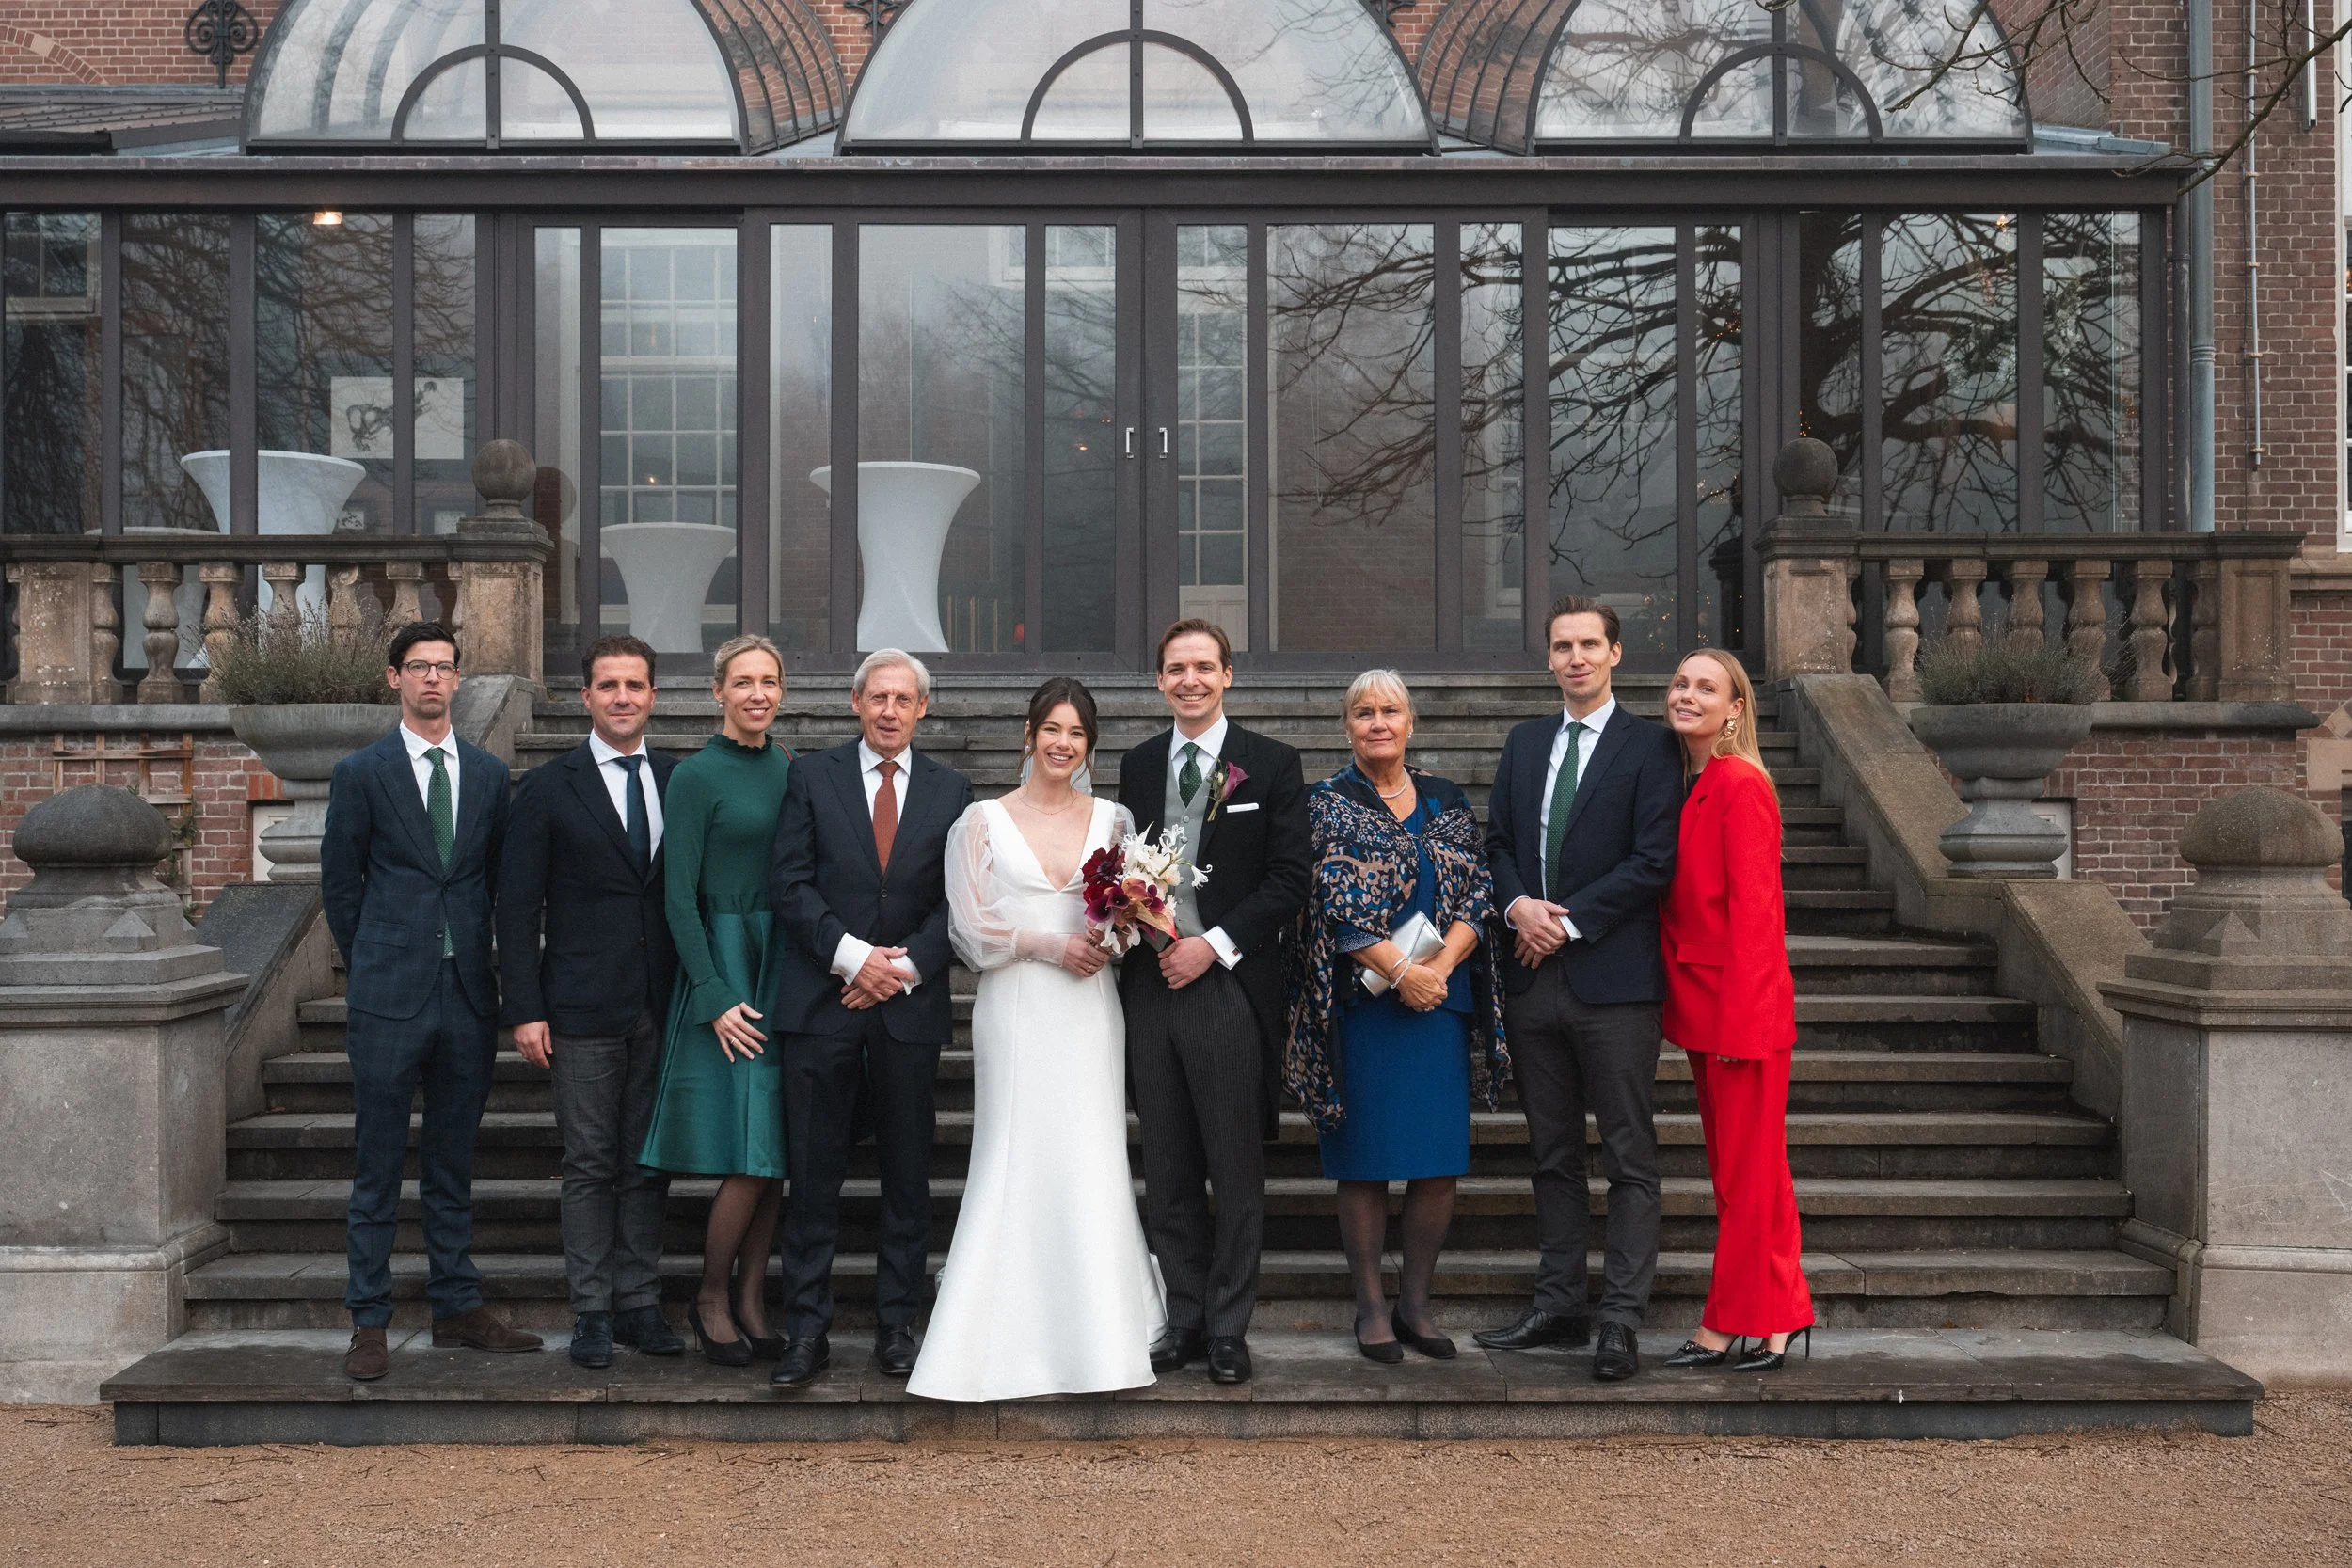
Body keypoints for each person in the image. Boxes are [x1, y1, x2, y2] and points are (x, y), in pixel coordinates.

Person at [909, 678, 1166, 1401]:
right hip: (1017, 1005)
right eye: (1050, 729)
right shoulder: (981, 821)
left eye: (1076, 733)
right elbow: (971, 927)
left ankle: (1099, 1327)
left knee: (1091, 1153)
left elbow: (1136, 917)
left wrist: (1111, 939)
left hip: (1090, 1009)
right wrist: (1051, 947)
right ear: (1028, 735)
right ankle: (997, 1329)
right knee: (1012, 1152)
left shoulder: (1115, 819)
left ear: (1089, 746)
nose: (1062, 743)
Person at [321, 622, 539, 1382]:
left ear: (458, 679)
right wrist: (376, 956)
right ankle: (369, 1320)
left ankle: (455, 1305)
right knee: (377, 1164)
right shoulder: (362, 772)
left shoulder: (485, 775)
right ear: (394, 679)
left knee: (452, 1162)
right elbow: (341, 887)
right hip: (389, 995)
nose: (433, 680)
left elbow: (495, 883)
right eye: (419, 667)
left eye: (446, 668)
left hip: (467, 996)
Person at [1473, 595, 1683, 1383]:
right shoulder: (1527, 743)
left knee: (1629, 1154)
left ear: (1616, 654)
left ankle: (1620, 1319)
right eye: (1562, 646)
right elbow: (1495, 842)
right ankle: (1559, 1300)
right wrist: (1515, 903)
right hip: (1532, 983)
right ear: (1550, 657)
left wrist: (1566, 921)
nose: (1575, 658)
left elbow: (1653, 860)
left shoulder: (1652, 748)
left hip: (1616, 984)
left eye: (1589, 644)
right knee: (1552, 1152)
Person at [1285, 670, 1507, 1364]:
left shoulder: (1445, 797)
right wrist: (1400, 970)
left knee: (1438, 1162)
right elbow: (1328, 900)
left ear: (1411, 723)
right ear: (1346, 726)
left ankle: (1416, 1301)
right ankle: (1371, 1307)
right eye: (1362, 712)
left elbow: (1479, 889)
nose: (1377, 722)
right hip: (1367, 1009)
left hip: (1440, 1006)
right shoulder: (1323, 802)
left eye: (1390, 710)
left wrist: (1435, 973)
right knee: (1365, 1163)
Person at [767, 649, 974, 1389]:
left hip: (909, 1011)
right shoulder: (811, 776)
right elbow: (789, 885)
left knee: (907, 1177)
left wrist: (903, 969)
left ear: (923, 709)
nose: (890, 710)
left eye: (903, 698)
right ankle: (806, 1333)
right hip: (822, 1007)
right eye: (877, 697)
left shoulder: (954, 791)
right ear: (856, 704)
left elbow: (960, 900)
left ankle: (897, 1327)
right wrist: (856, 959)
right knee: (814, 1176)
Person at [1115, 619, 1311, 1386]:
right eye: (1175, 668)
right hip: (1151, 989)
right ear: (1160, 680)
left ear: (1228, 674)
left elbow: (1290, 879)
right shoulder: (1134, 767)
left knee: (1233, 1167)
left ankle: (1230, 1326)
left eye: (1203, 666)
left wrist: (1215, 945)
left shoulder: (1271, 763)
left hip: (1228, 985)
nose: (1189, 679)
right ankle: (1185, 1314)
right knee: (1165, 1164)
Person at [497, 634, 687, 1370]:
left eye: (635, 685)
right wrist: (524, 1007)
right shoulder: (549, 786)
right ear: (586, 696)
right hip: (577, 1006)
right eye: (608, 685)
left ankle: (640, 1301)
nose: (622, 697)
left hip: (661, 1003)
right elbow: (516, 908)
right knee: (589, 1162)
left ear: (652, 696)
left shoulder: (679, 780)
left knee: (648, 1162)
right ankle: (592, 1311)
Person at [637, 635, 794, 1367]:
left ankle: (753, 1297)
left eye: (769, 681)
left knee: (774, 1152)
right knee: (750, 1149)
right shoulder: (696, 776)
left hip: (780, 964)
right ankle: (708, 1294)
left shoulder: (789, 766)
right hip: (726, 970)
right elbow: (677, 897)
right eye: (744, 682)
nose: (757, 693)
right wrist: (714, 994)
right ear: (717, 692)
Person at [1656, 647, 1814, 1373]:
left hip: (1738, 1014)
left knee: (1745, 1178)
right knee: (1752, 1173)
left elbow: (1757, 917)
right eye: (1681, 683)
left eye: (1706, 687)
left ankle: (1731, 1323)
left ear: (1736, 708)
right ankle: (1778, 1317)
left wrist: (1741, 1028)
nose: (1687, 695)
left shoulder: (1741, 784)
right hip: (1708, 1006)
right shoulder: (1700, 782)